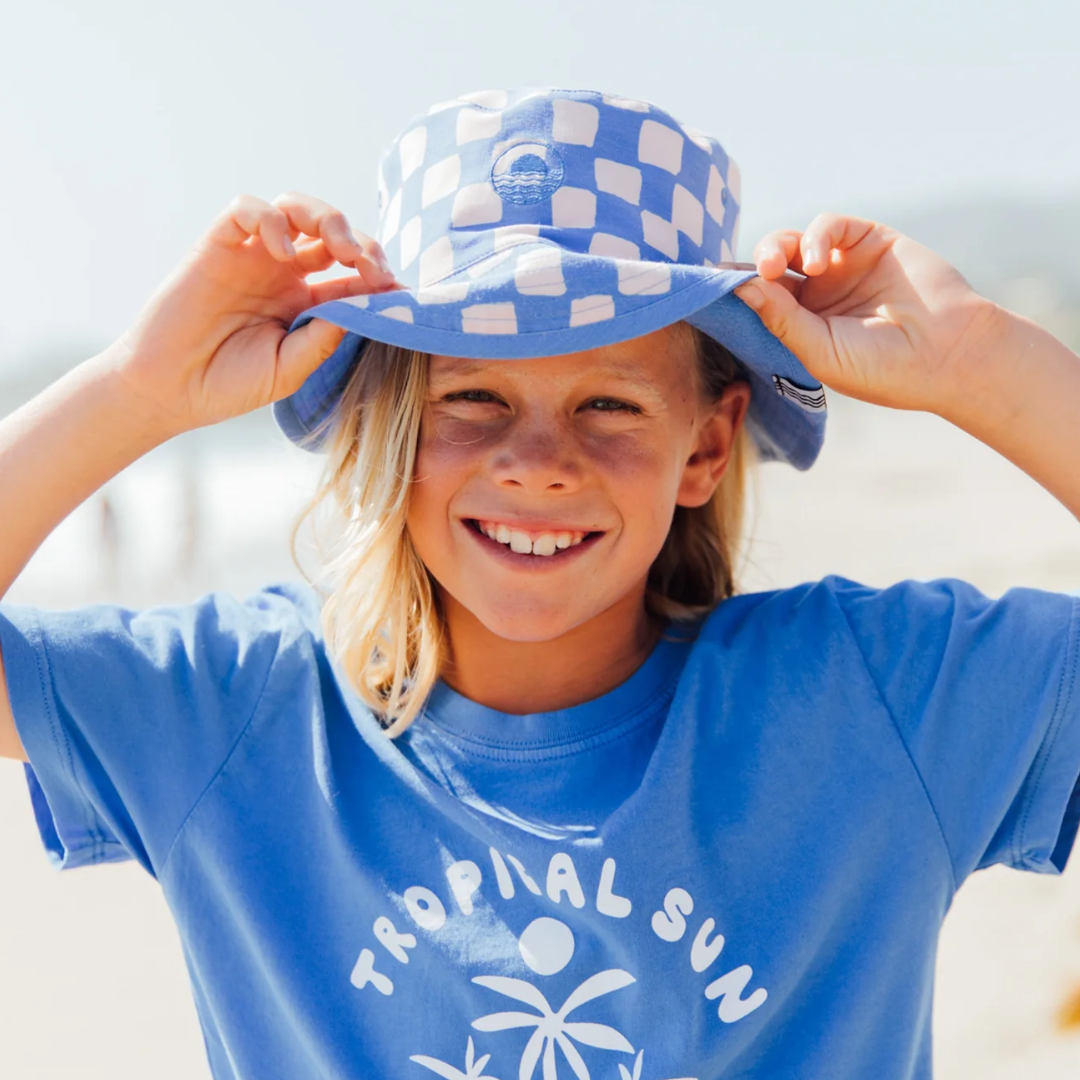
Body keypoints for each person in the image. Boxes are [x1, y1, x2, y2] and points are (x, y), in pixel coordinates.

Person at [1, 87, 1079, 1080]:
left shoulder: (873, 701)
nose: (536, 460)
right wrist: (135, 391)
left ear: (706, 449)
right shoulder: (240, 712)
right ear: (390, 425)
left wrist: (977, 359)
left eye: (609, 404)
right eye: (471, 395)